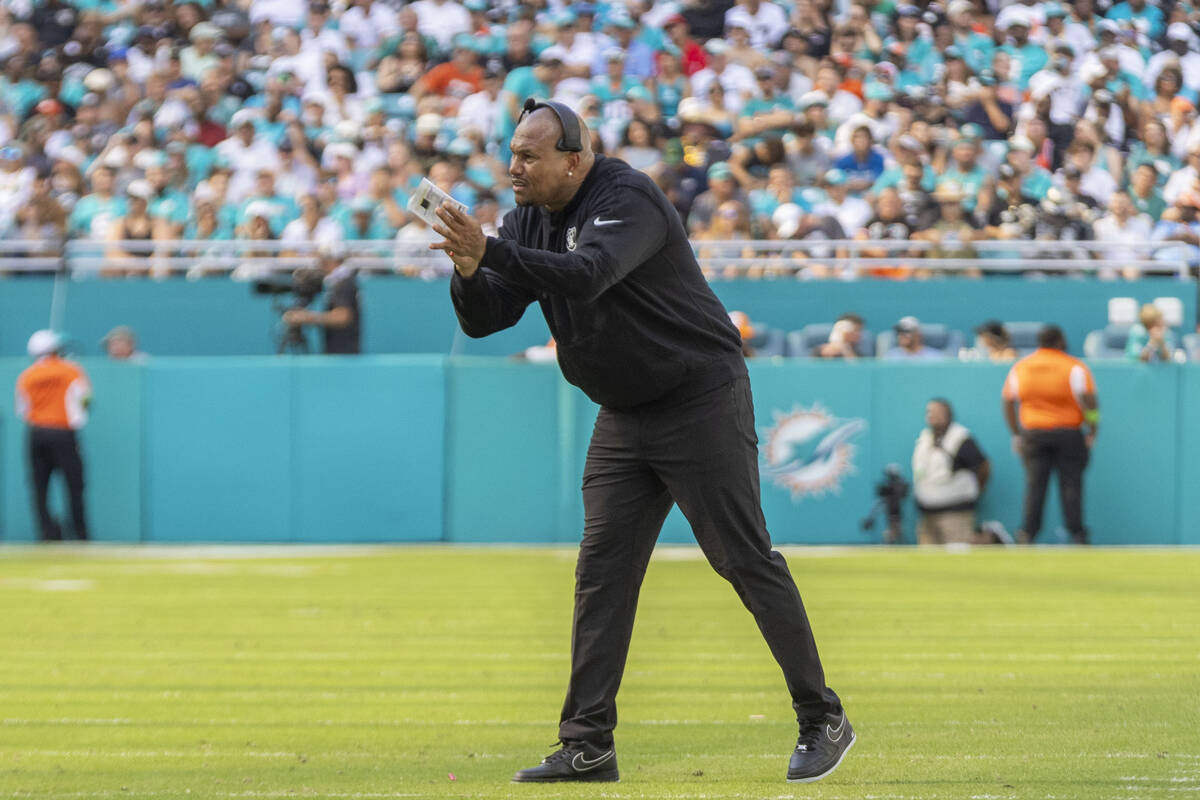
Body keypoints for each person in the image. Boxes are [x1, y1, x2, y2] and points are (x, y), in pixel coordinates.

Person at [431, 99, 851, 784]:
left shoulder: (628, 196)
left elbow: (591, 273)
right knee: (602, 574)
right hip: (624, 413)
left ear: (575, 159)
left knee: (742, 558)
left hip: (698, 397)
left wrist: (495, 252)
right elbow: (488, 320)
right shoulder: (528, 217)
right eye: (512, 152)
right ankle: (588, 743)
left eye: (530, 155)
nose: (514, 166)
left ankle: (822, 716)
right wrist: (469, 268)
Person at [1002, 325, 1098, 545]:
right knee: (1071, 485)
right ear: (1061, 341)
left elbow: (1008, 400)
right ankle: (1077, 535)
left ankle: (1027, 533)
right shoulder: (1074, 367)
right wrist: (1092, 429)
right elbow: (1090, 401)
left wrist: (1017, 433)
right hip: (1069, 433)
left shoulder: (1022, 367)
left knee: (1035, 485)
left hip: (1033, 434)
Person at [14, 330, 91, 541]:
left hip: (37, 433)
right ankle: (80, 533)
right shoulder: (71, 370)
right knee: (74, 485)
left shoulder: (27, 375)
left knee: (40, 487)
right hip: (63, 433)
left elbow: (23, 409)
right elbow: (85, 400)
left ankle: (47, 533)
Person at [912, 399, 990, 545]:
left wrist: (978, 489)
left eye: (937, 412)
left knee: (956, 558)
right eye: (929, 412)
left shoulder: (960, 438)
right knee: (926, 562)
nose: (932, 416)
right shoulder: (925, 438)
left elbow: (983, 466)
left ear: (948, 414)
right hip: (927, 513)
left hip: (955, 514)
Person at [281, 247, 362, 354]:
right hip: (340, 349)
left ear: (333, 260)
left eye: (322, 260)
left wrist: (308, 317)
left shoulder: (342, 283)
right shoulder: (340, 282)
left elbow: (343, 316)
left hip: (343, 352)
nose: (319, 265)